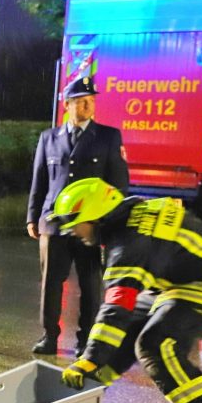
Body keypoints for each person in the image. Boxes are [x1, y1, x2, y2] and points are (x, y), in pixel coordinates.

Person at [51, 178, 202, 403]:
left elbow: (115, 308)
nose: (73, 232)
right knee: (127, 333)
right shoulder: (127, 216)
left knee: (156, 346)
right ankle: (83, 398)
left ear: (97, 217)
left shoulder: (128, 243)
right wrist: (92, 370)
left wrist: (88, 359)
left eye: (75, 224)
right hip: (179, 282)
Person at [26, 75, 129, 356]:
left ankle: (86, 340)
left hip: (89, 225)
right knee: (51, 283)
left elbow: (118, 185)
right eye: (81, 102)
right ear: (67, 105)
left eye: (91, 101)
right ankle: (49, 336)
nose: (88, 106)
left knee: (90, 285)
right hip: (55, 222)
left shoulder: (108, 137)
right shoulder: (49, 138)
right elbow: (40, 180)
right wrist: (32, 217)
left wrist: (109, 223)